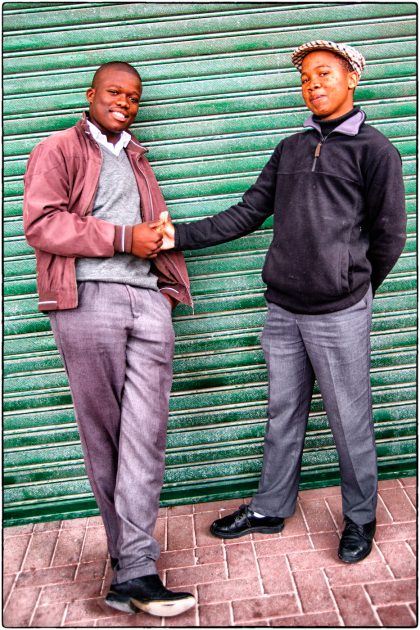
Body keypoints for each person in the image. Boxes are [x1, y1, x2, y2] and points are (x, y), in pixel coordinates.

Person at [158, 41, 407, 563]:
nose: (313, 85)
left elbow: (389, 237)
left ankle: (361, 518)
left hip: (339, 312)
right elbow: (248, 211)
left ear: (351, 80)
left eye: (324, 74)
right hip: (283, 311)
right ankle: (271, 508)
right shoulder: (291, 148)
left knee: (350, 419)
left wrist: (353, 287)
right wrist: (175, 235)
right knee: (283, 412)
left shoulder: (376, 151)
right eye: (306, 78)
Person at [23, 61, 195, 617]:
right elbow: (42, 223)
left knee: (145, 435)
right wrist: (125, 237)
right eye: (115, 92)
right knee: (106, 438)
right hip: (87, 299)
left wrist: (163, 288)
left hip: (147, 303)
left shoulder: (136, 154)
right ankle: (134, 568)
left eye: (134, 97)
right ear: (91, 94)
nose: (125, 102)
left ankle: (135, 573)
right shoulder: (59, 148)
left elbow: (151, 231)